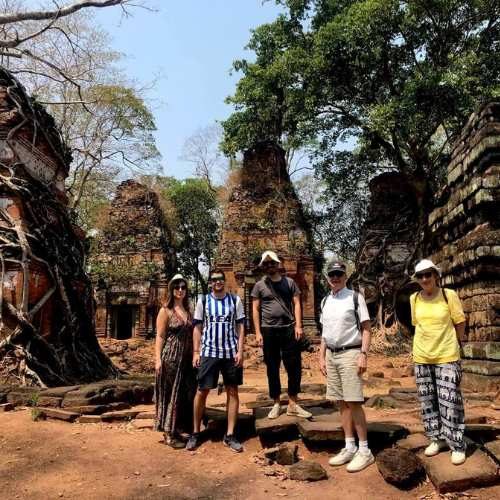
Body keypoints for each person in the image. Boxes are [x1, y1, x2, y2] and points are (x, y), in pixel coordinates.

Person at [318, 261, 374, 473]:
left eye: (339, 274)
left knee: (354, 401)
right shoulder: (325, 301)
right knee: (340, 401)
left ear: (345, 276)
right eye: (332, 274)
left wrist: (363, 354)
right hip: (332, 354)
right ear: (327, 277)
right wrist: (321, 356)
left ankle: (365, 450)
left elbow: (366, 328)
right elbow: (325, 332)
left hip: (351, 352)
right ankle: (349, 446)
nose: (335, 278)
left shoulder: (354, 297)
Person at [410, 258, 467, 465]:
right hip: (422, 356)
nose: (425, 279)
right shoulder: (414, 299)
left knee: (450, 402)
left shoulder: (448, 295)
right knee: (428, 402)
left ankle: (457, 444)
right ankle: (436, 438)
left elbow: (460, 322)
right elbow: (418, 326)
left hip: (447, 355)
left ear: (435, 275)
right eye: (421, 276)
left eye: (428, 274)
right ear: (417, 279)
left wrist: (457, 344)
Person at [186, 269, 245, 452]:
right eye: (214, 280)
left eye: (220, 279)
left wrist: (240, 351)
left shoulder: (235, 300)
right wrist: (196, 351)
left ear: (225, 281)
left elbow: (241, 326)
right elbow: (197, 327)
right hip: (209, 351)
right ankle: (195, 433)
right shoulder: (203, 301)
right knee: (202, 390)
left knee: (232, 391)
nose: (217, 282)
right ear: (210, 282)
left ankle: (230, 435)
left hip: (230, 352)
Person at [251, 250, 312, 420]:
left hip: (288, 328)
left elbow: (297, 304)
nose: (270, 266)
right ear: (264, 266)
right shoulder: (259, 285)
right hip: (268, 330)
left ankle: (293, 403)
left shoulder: (290, 283)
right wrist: (257, 332)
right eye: (267, 263)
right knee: (272, 367)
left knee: (294, 366)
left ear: (278, 264)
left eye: (273, 263)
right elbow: (255, 309)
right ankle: (276, 403)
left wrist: (299, 326)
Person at [154, 274, 197, 448]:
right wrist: (157, 359)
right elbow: (160, 336)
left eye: (183, 287)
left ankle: (178, 428)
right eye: (177, 287)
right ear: (171, 290)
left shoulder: (189, 310)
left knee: (183, 394)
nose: (180, 290)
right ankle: (168, 433)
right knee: (170, 394)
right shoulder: (165, 310)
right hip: (170, 358)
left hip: (186, 359)